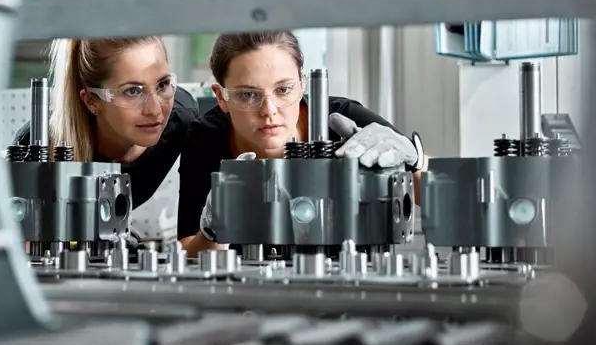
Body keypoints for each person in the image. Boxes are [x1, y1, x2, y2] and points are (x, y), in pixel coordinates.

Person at [177, 31, 428, 257]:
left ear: (303, 84)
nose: (269, 110)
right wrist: (212, 232)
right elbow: (190, 251)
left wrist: (414, 161)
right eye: (248, 94)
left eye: (284, 90)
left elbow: (442, 195)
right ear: (221, 97)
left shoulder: (343, 121)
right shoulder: (207, 138)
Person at [14, 37, 199, 211]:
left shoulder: (182, 119)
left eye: (162, 85)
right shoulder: (37, 146)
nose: (155, 110)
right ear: (91, 101)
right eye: (133, 91)